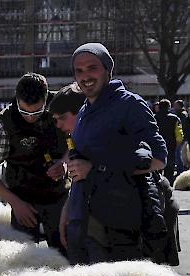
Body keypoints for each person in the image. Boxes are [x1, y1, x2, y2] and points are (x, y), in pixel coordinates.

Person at [67, 43, 167, 263]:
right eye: (79, 71)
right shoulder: (85, 109)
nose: (85, 76)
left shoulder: (129, 104)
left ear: (107, 69)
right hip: (85, 223)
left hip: (120, 227)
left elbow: (159, 159)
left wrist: (95, 168)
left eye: (92, 68)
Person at [0, 73, 68, 254]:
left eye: (37, 112)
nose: (30, 117)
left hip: (60, 198)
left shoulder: (64, 106)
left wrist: (65, 162)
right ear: (17, 99)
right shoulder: (3, 123)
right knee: (22, 260)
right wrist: (15, 202)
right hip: (23, 200)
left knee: (66, 254)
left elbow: (78, 140)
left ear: (46, 99)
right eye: (24, 111)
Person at [49, 83, 88, 264]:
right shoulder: (75, 139)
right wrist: (66, 214)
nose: (58, 125)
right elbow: (77, 183)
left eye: (62, 118)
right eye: (55, 119)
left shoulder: (98, 140)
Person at [154, 99, 183, 184]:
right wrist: (177, 144)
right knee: (169, 170)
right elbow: (179, 133)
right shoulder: (175, 118)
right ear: (169, 107)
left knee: (157, 170)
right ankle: (168, 188)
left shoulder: (154, 117)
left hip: (156, 146)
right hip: (170, 146)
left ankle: (158, 189)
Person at [173, 99, 189, 175]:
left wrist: (181, 138)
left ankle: (180, 171)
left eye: (175, 105)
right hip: (184, 137)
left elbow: (182, 127)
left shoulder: (181, 114)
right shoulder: (184, 113)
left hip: (182, 137)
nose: (174, 106)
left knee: (178, 155)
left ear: (179, 106)